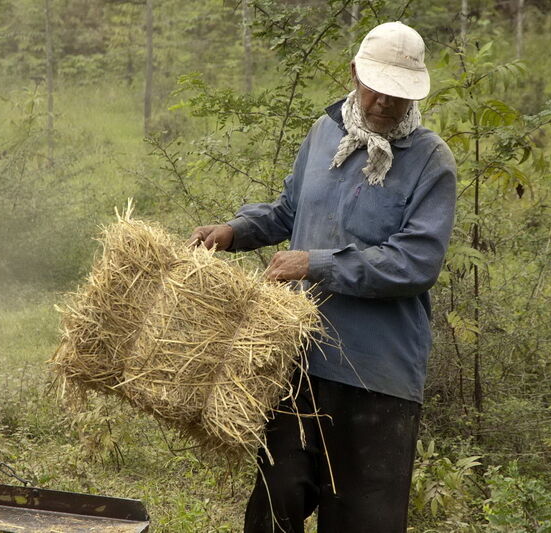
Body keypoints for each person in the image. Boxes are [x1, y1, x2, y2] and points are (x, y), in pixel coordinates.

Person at [190, 21, 456, 533]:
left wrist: (318, 263)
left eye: (399, 94)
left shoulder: (430, 161)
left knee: (362, 519)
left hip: (377, 376)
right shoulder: (325, 131)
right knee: (275, 506)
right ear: (355, 73)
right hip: (301, 357)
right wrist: (236, 229)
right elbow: (292, 208)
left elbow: (416, 262)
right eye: (377, 87)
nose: (385, 102)